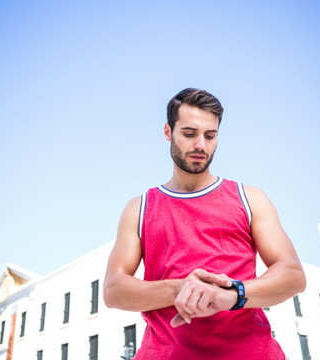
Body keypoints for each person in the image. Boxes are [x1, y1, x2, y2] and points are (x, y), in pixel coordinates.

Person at [103, 88, 306, 359]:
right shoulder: (139, 208)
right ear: (168, 132)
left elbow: (293, 275)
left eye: (210, 136)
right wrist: (180, 288)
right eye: (189, 134)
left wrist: (232, 293)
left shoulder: (250, 198)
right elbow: (113, 290)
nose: (201, 145)